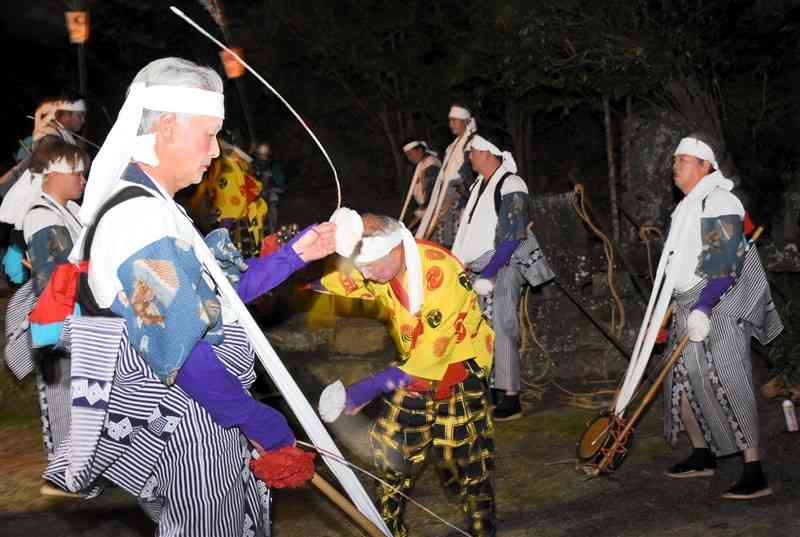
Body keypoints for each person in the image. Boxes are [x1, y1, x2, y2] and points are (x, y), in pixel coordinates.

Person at [42, 57, 336, 536]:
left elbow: (221, 296)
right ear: (168, 126)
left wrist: (296, 255)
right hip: (190, 426)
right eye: (210, 132)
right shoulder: (139, 221)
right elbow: (181, 350)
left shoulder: (159, 209)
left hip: (208, 415)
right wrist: (258, 422)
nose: (216, 150)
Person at [317, 212, 496, 537]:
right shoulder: (374, 265)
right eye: (361, 267)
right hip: (410, 375)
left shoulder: (439, 270)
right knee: (391, 459)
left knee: (469, 462)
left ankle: (482, 526)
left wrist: (366, 389)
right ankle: (389, 530)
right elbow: (332, 283)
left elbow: (432, 352)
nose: (365, 274)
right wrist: (287, 268)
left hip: (457, 374)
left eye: (371, 264)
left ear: (398, 245)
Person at [655, 134, 782, 499]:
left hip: (717, 300)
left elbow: (724, 263)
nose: (674, 167)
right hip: (685, 302)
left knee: (729, 377)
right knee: (678, 382)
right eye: (675, 161)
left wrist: (703, 306)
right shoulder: (686, 206)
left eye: (682, 161)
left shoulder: (719, 200)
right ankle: (701, 454)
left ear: (704, 166)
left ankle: (754, 469)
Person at [2, 138, 88, 496]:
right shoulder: (42, 214)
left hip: (69, 309)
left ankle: (80, 470)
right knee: (60, 393)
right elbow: (55, 277)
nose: (83, 180)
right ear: (53, 173)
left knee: (77, 393)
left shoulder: (64, 210)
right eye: (78, 173)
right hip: (54, 314)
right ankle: (63, 474)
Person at [451, 135, 554, 421]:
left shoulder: (511, 183)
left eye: (472, 152)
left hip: (503, 264)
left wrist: (490, 272)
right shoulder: (478, 186)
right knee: (476, 327)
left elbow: (513, 234)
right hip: (477, 268)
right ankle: (488, 389)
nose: (469, 157)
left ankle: (510, 396)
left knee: (502, 325)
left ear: (487, 153)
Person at [415, 104, 477, 248]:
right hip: (444, 195)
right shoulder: (451, 146)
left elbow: (469, 175)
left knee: (454, 236)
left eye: (454, 120)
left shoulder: (471, 144)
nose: (451, 124)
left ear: (466, 122)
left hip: (458, 196)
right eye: (450, 120)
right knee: (439, 234)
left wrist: (458, 193)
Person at [398, 139, 440, 227]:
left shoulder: (431, 164)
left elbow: (433, 191)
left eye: (410, 154)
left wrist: (424, 208)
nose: (409, 158)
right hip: (425, 210)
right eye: (407, 155)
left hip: (434, 211)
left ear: (420, 151)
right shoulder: (421, 165)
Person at [252, 142, 288, 233]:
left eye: (264, 155)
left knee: (272, 201)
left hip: (269, 194)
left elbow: (282, 187)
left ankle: (272, 231)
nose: (262, 157)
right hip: (254, 195)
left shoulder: (273, 167)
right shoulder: (252, 165)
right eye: (260, 155)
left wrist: (271, 189)